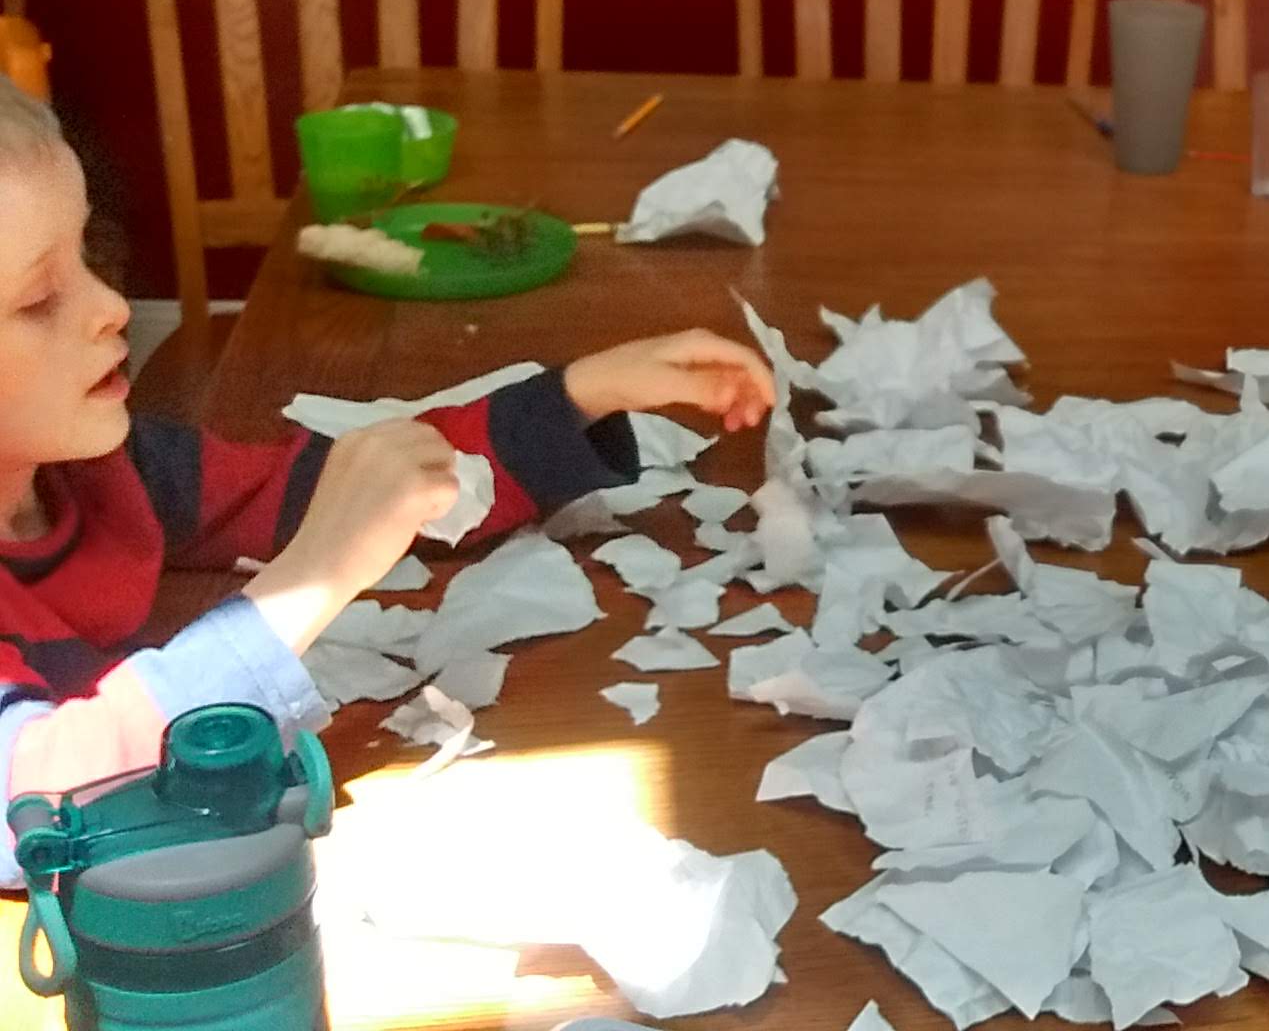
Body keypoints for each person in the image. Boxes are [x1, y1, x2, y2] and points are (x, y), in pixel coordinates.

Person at [0, 75, 775, 870]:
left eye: (88, 251)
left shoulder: (108, 471)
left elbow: (335, 488)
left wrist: (580, 394)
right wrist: (306, 582)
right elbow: (41, 804)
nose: (112, 305)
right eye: (38, 299)